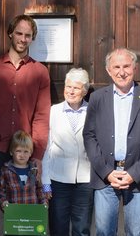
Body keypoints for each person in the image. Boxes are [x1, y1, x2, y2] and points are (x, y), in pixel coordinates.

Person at [0, 15, 51, 236]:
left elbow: (42, 115)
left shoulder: (40, 72)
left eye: (28, 35)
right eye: (19, 33)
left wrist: (37, 153)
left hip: (23, 148)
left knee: (25, 200)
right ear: (10, 33)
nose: (23, 39)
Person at [82, 48, 140, 236]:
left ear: (135, 68)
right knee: (104, 232)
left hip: (138, 178)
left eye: (126, 66)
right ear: (108, 71)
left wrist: (134, 173)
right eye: (116, 67)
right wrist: (106, 172)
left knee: (135, 232)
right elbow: (89, 136)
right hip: (105, 176)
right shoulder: (97, 98)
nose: (122, 72)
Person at [42, 68, 94, 236]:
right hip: (58, 179)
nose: (71, 91)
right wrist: (45, 181)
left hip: (85, 180)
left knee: (82, 228)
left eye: (76, 88)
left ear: (84, 91)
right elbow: (47, 147)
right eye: (68, 87)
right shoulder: (53, 111)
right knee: (58, 226)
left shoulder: (93, 112)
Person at [0, 130, 50, 209]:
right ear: (11, 152)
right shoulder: (6, 170)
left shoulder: (34, 170)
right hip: (13, 213)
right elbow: (1, 190)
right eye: (18, 151)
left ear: (30, 153)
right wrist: (3, 202)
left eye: (26, 151)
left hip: (32, 213)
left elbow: (39, 189)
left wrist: (44, 202)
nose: (22, 155)